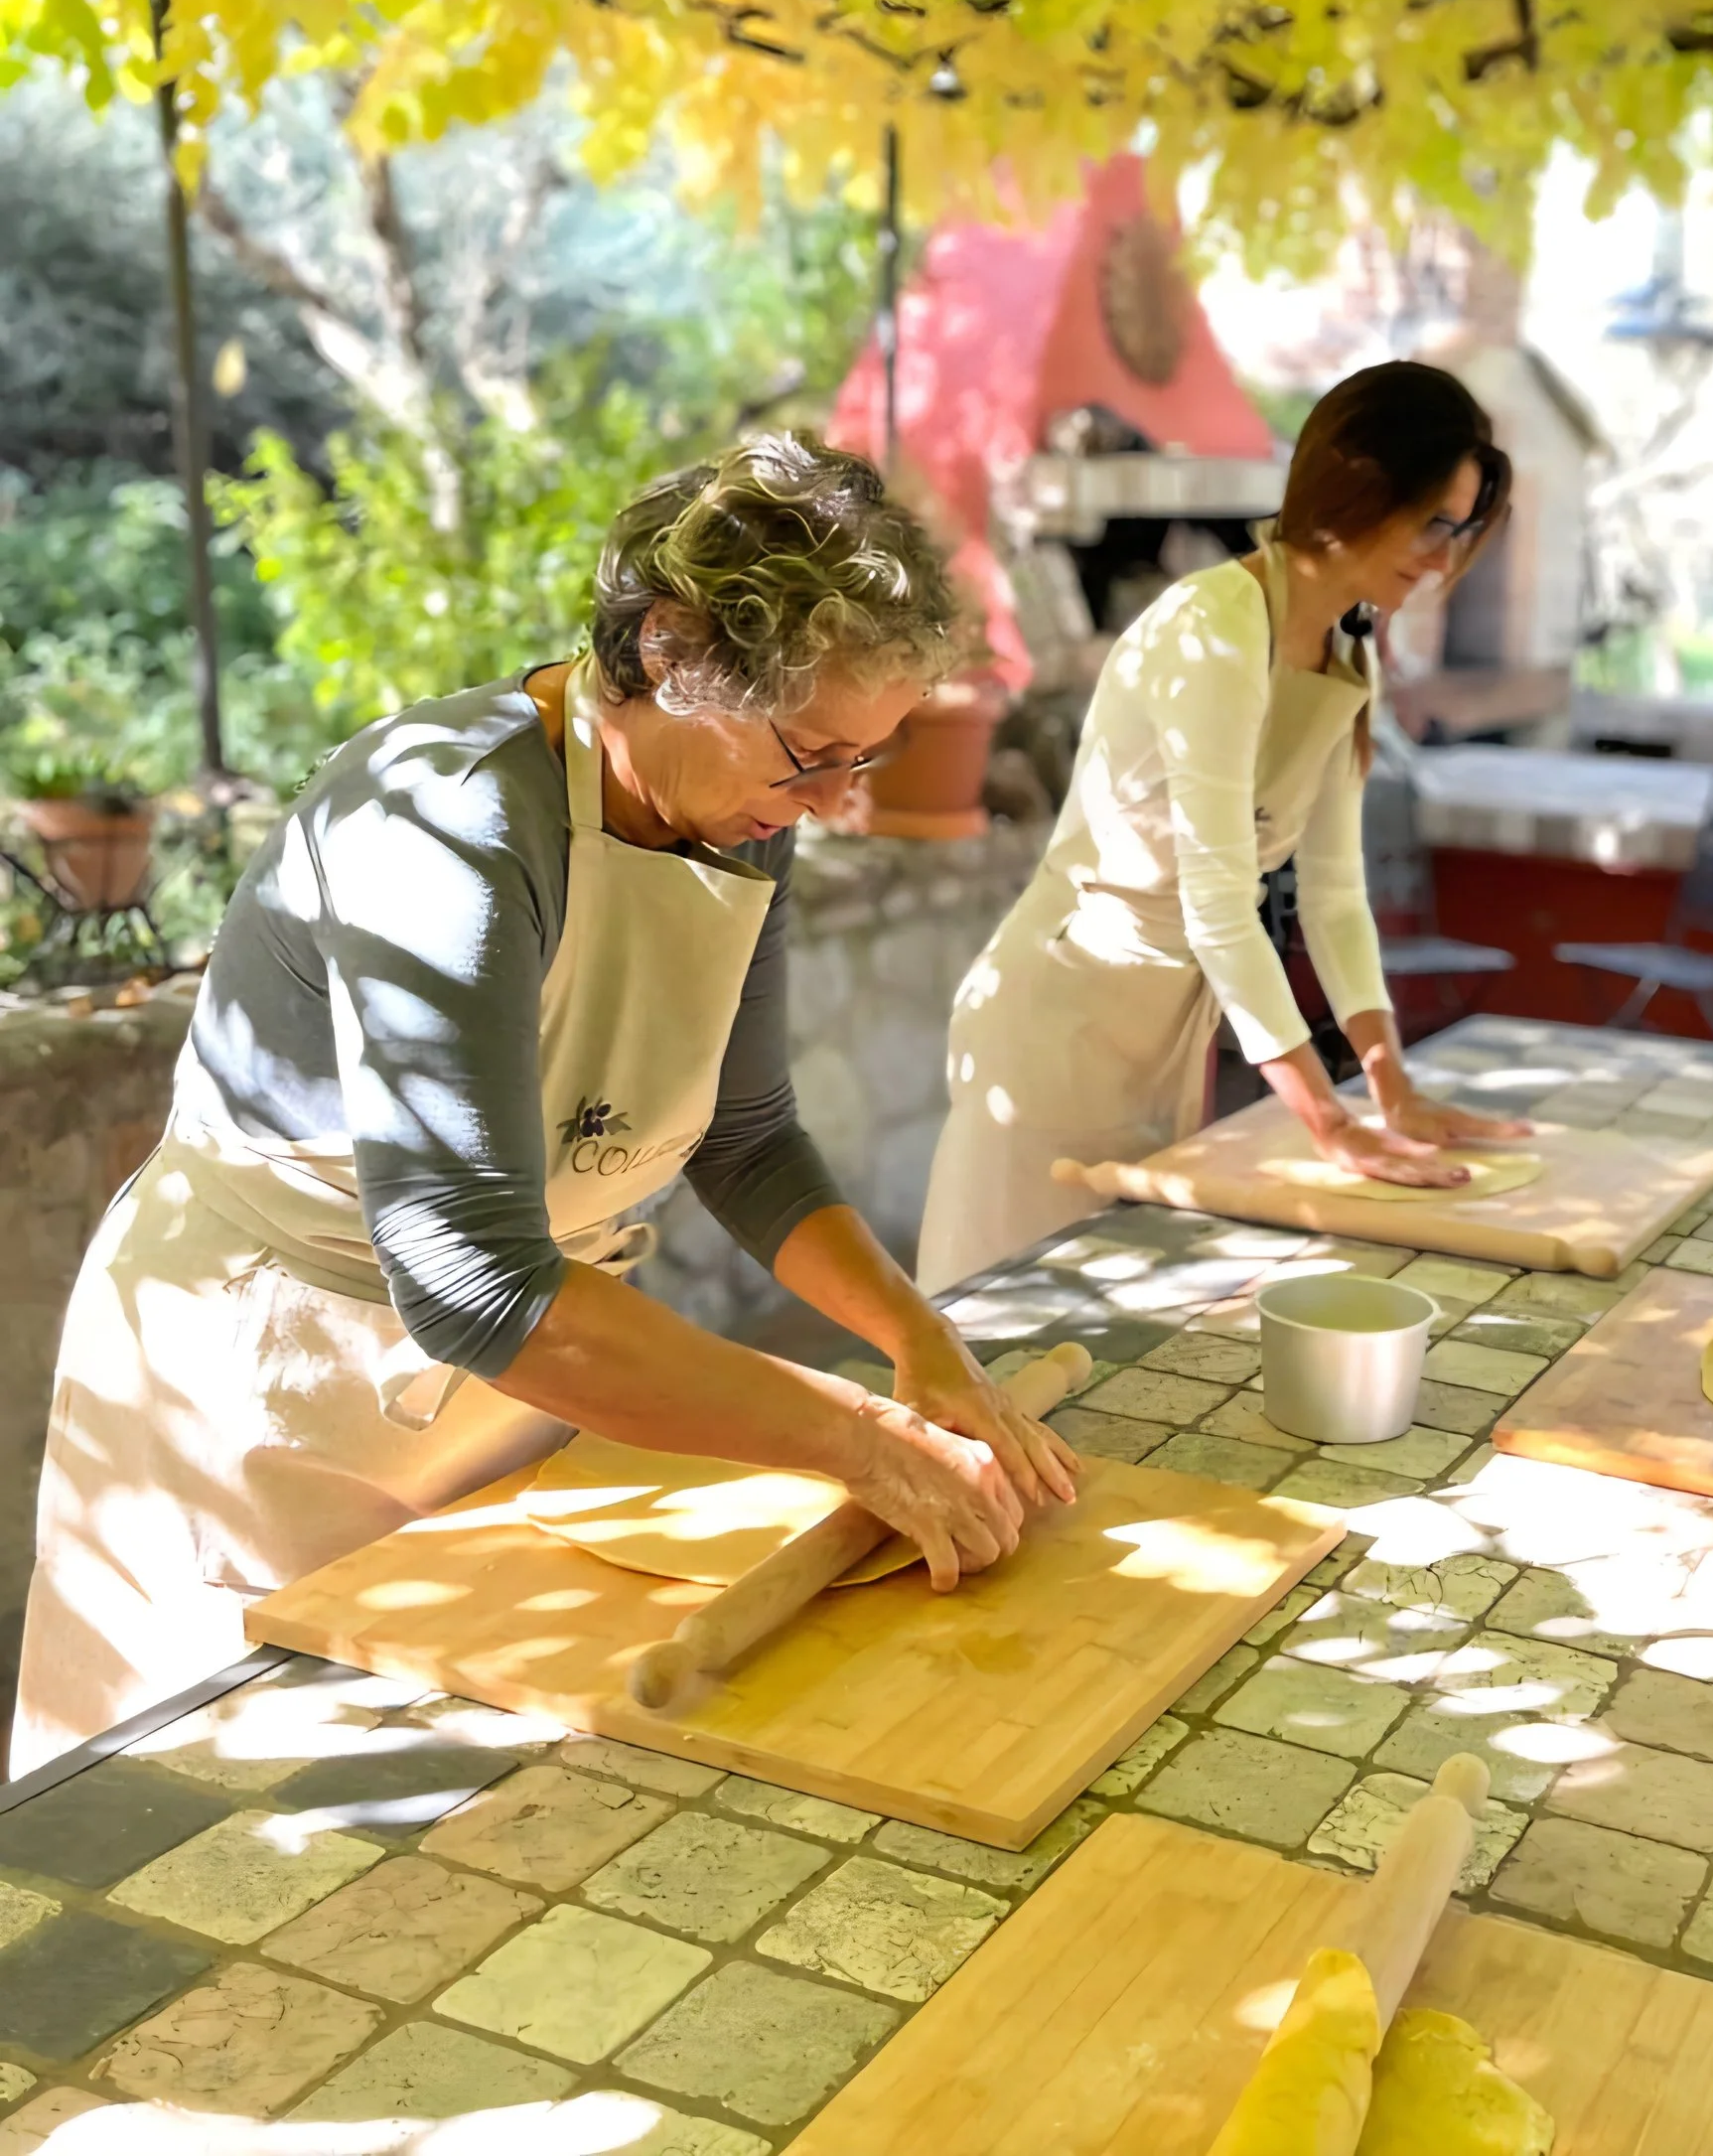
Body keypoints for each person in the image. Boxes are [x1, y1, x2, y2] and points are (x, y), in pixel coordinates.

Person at [12, 433, 1076, 1778]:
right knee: (220, 1840)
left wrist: (922, 1350)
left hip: (493, 1393)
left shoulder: (744, 812)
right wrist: (851, 1433)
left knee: (450, 1824)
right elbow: (470, 1281)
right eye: (815, 755)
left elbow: (747, 1142)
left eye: (867, 757)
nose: (838, 802)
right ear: (677, 654)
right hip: (262, 1398)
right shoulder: (450, 821)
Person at [917, 360, 1532, 1291]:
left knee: (1106, 1345)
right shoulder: (1216, 625)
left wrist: (1391, 1089)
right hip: (1057, 1029)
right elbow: (1217, 900)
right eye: (1434, 521)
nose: (1444, 558)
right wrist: (1327, 1121)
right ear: (1360, 485)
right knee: (995, 1324)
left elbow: (1331, 899)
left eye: (1461, 530)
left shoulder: (1347, 658)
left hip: (1164, 1039)